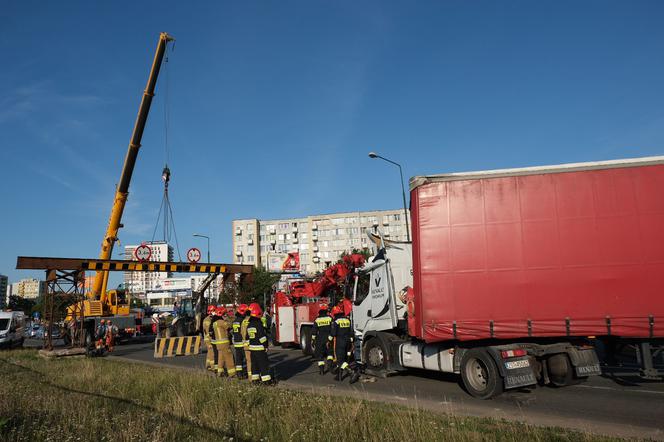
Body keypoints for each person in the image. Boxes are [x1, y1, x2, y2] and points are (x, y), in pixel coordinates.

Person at [246, 303, 272, 384]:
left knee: (254, 365)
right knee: (263, 364)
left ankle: (255, 380)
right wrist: (266, 345)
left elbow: (247, 337)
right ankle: (266, 381)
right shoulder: (258, 324)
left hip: (252, 349)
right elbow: (262, 337)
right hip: (260, 348)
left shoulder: (249, 325)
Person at [212, 306, 236, 378]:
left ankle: (220, 372)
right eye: (224, 314)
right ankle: (232, 373)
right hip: (224, 343)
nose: (225, 315)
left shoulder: (214, 323)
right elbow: (229, 328)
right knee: (229, 357)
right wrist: (227, 319)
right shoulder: (222, 322)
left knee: (221, 358)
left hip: (218, 344)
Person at [329, 306, 353, 381]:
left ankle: (351, 371)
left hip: (340, 342)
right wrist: (351, 342)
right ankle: (339, 376)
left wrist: (329, 341)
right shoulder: (347, 320)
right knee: (344, 359)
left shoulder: (336, 321)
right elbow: (351, 332)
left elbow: (333, 333)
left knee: (340, 360)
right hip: (347, 342)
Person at [312, 306, 333, 375]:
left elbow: (314, 331)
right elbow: (333, 328)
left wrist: (313, 340)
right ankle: (330, 365)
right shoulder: (330, 318)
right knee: (329, 353)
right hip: (328, 339)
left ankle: (321, 370)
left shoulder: (317, 319)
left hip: (320, 339)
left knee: (320, 355)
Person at [231, 304, 249, 378]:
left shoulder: (235, 321)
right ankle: (249, 373)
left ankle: (239, 373)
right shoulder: (243, 321)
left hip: (236, 342)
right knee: (247, 359)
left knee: (238, 359)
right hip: (242, 342)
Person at [241, 306, 253, 381]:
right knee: (254, 361)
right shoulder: (251, 321)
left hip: (244, 344)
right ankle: (255, 376)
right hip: (251, 344)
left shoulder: (243, 321)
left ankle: (250, 377)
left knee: (248, 361)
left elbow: (241, 332)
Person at [202, 305, 215, 372]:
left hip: (207, 338)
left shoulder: (207, 319)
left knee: (209, 352)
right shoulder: (208, 320)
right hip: (209, 338)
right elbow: (209, 331)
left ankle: (208, 365)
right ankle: (213, 367)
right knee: (212, 352)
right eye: (214, 311)